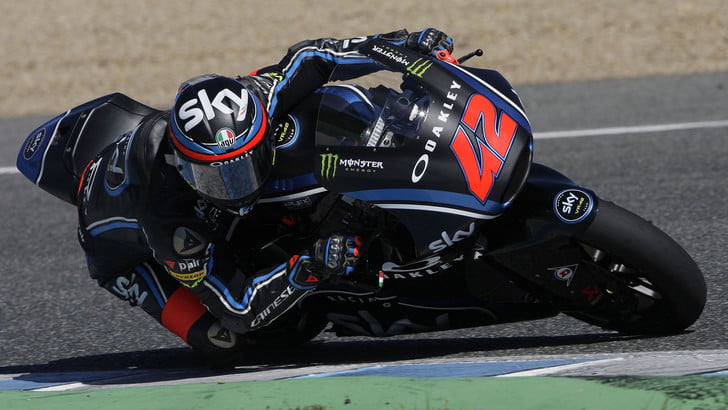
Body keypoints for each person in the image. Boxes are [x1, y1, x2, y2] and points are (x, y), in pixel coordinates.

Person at [71, 28, 454, 364]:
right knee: (223, 342)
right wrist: (308, 265)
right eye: (216, 179)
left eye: (244, 167)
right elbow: (237, 308)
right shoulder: (168, 220)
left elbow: (315, 55)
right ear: (184, 167)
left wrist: (401, 46)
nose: (236, 187)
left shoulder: (256, 98)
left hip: (159, 163)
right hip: (123, 254)